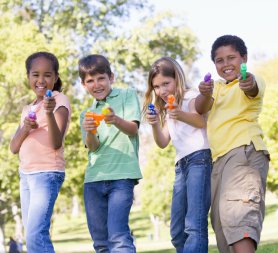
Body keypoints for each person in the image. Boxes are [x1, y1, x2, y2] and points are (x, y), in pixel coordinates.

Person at [195, 35, 270, 253]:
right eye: (220, 60)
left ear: (243, 58)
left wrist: (249, 81)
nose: (226, 64)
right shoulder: (216, 87)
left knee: (239, 217)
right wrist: (204, 92)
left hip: (244, 150)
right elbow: (201, 108)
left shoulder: (250, 80)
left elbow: (252, 87)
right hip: (219, 161)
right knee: (221, 225)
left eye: (231, 58)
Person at [143, 57, 212, 253]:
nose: (162, 90)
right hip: (181, 166)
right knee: (177, 231)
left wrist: (178, 114)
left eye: (166, 83)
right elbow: (163, 142)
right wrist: (155, 123)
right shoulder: (168, 107)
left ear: (177, 79)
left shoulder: (191, 96)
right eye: (156, 87)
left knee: (194, 225)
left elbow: (201, 122)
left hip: (200, 159)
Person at [79, 54, 142, 252]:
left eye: (101, 78)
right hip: (93, 180)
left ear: (111, 78)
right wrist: (90, 131)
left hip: (122, 177)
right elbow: (93, 146)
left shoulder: (127, 96)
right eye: (90, 80)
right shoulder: (86, 114)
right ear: (84, 85)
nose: (96, 84)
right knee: (100, 242)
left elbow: (133, 129)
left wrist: (115, 120)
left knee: (118, 236)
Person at [9, 52, 71, 253]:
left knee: (36, 236)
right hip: (26, 175)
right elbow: (13, 148)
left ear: (55, 77)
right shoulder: (28, 108)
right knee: (31, 236)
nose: (41, 80)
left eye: (47, 75)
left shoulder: (59, 100)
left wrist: (49, 113)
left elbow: (56, 142)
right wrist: (26, 127)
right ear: (28, 77)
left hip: (47, 174)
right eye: (35, 74)